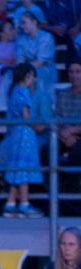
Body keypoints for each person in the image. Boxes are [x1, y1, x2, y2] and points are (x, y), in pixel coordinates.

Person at [0, 63, 44, 219]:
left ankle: (11, 203)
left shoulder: (14, 92)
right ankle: (24, 203)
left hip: (18, 133)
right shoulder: (22, 91)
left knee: (18, 169)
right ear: (28, 75)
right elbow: (26, 115)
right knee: (23, 168)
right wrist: (38, 127)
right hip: (24, 134)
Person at [15, 11, 56, 96]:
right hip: (26, 69)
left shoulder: (46, 37)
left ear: (34, 22)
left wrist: (24, 70)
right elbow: (20, 60)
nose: (22, 26)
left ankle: (39, 103)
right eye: (21, 23)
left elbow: (40, 62)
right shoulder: (20, 39)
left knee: (37, 74)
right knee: (10, 75)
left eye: (24, 23)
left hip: (45, 69)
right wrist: (21, 70)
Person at [56, 60, 81, 194]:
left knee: (76, 153)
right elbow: (56, 120)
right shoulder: (62, 94)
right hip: (64, 135)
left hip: (76, 135)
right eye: (71, 72)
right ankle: (46, 192)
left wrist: (71, 131)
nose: (74, 75)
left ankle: (72, 195)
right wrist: (62, 134)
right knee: (45, 152)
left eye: (77, 72)